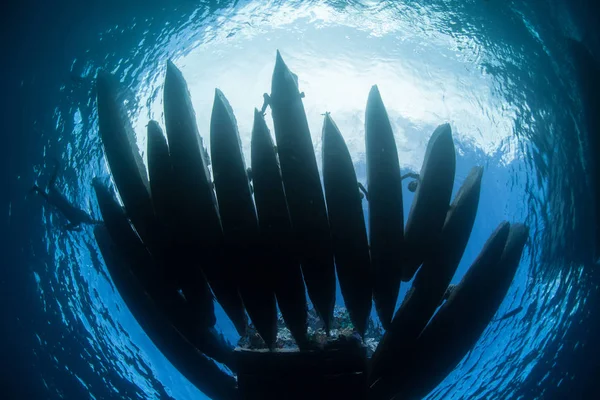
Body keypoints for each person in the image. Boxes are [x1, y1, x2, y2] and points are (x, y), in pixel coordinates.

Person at [30, 160, 100, 230]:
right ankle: (56, 168)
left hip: (60, 203)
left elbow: (67, 227)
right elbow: (90, 221)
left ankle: (37, 187)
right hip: (61, 202)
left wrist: (76, 229)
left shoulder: (77, 221)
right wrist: (76, 229)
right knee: (50, 189)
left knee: (50, 190)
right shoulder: (77, 221)